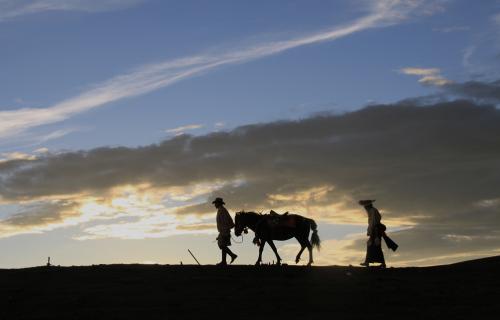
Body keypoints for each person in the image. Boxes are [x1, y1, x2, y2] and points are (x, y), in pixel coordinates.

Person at [359, 199, 386, 268]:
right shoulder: (371, 211)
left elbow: (374, 223)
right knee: (372, 246)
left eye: (365, 207)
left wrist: (374, 233)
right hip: (374, 231)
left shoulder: (373, 211)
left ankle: (382, 263)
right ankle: (368, 262)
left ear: (368, 206)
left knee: (376, 246)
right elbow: (371, 223)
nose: (365, 208)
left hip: (376, 231)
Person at [213, 197, 237, 265]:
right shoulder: (222, 210)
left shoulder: (222, 210)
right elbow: (230, 222)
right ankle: (224, 261)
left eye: (216, 203)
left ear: (218, 203)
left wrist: (224, 231)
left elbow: (225, 221)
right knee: (223, 245)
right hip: (224, 230)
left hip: (224, 231)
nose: (215, 205)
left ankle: (232, 255)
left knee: (221, 245)